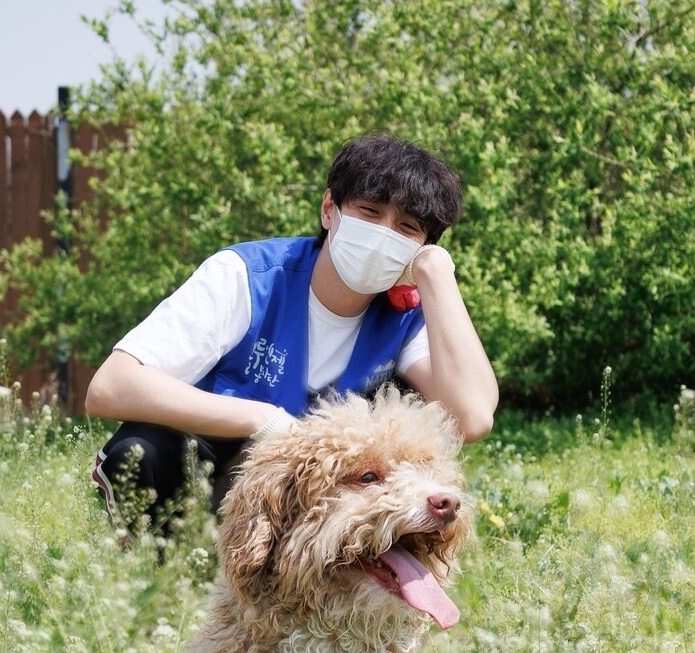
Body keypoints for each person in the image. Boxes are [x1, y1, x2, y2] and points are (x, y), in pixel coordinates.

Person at [84, 133, 498, 528]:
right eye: (370, 212)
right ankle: (165, 568)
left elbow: (472, 417)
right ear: (329, 210)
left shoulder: (407, 312)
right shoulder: (246, 276)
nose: (383, 235)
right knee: (139, 452)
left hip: (321, 489)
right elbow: (111, 386)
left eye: (407, 228)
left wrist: (436, 273)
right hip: (218, 457)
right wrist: (262, 418)